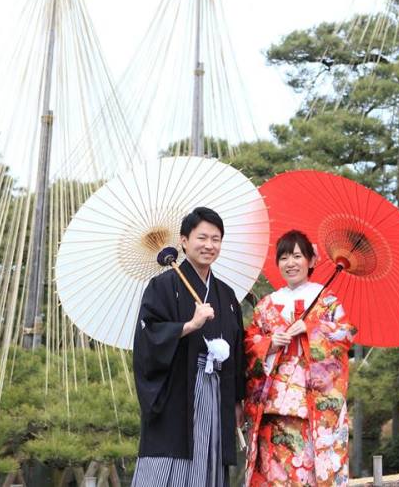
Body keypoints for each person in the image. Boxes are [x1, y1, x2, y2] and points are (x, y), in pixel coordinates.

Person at [132, 207, 245, 486]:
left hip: (217, 391)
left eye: (216, 239)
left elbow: (237, 349)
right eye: (202, 238)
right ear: (183, 241)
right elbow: (148, 337)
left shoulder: (226, 295)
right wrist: (189, 325)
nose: (209, 245)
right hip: (178, 392)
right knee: (170, 467)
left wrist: (236, 400)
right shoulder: (162, 286)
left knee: (209, 463)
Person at [243, 230, 356, 486]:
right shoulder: (267, 304)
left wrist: (311, 328)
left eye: (297, 256)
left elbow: (344, 336)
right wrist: (271, 343)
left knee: (309, 473)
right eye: (284, 257)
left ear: (311, 261)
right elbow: (249, 344)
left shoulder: (326, 301)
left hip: (312, 406)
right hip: (273, 405)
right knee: (272, 473)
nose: (290, 263)